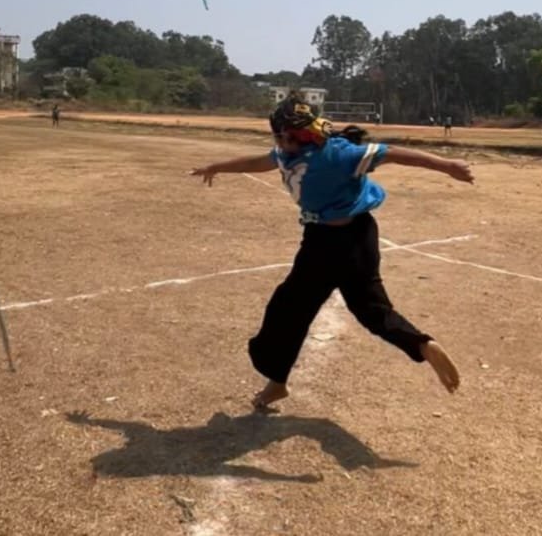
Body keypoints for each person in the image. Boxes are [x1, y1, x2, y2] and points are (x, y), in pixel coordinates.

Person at [189, 92, 467, 411]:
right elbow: (256, 162)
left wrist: (448, 166)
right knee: (369, 309)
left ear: (297, 135)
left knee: (288, 310)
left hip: (329, 244)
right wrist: (217, 167)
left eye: (280, 137)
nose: (277, 143)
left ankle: (277, 382)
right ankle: (422, 345)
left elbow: (392, 153)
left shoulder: (339, 154)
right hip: (352, 237)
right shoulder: (292, 153)